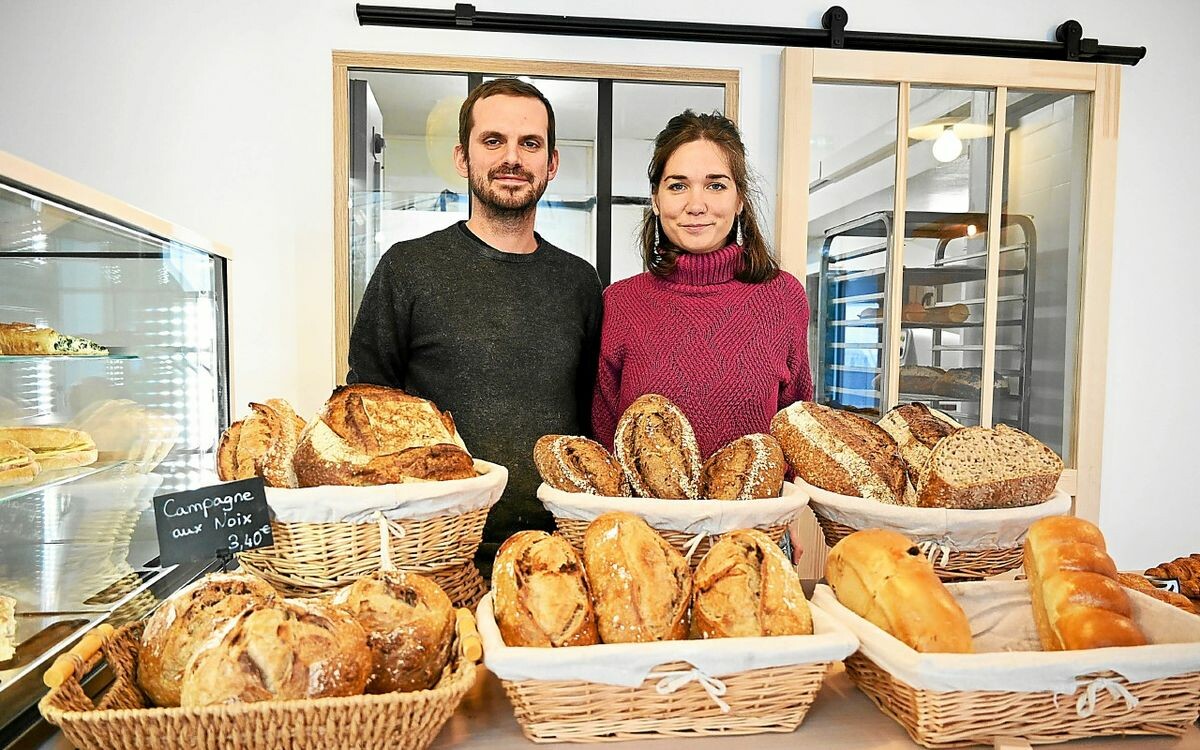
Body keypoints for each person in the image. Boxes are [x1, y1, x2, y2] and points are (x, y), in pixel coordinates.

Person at [348, 78, 603, 569]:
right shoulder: (408, 268)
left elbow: (592, 415)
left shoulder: (580, 282)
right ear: (463, 158)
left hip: (556, 551)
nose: (512, 158)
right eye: (493, 140)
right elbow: (366, 411)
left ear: (551, 163)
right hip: (431, 547)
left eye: (530, 143)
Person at [593, 109, 813, 465]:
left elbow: (797, 433)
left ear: (740, 199)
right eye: (678, 186)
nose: (696, 205)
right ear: (656, 199)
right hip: (641, 505)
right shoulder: (621, 302)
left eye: (716, 185)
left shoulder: (783, 297)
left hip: (759, 505)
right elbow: (605, 437)